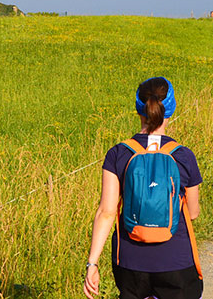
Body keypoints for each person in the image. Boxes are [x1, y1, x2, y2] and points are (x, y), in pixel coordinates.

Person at [83, 77, 203, 299]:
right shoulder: (183, 156)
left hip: (130, 263)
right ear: (171, 110)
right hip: (176, 262)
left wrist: (93, 263)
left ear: (139, 109)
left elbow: (107, 212)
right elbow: (193, 213)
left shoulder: (118, 153)